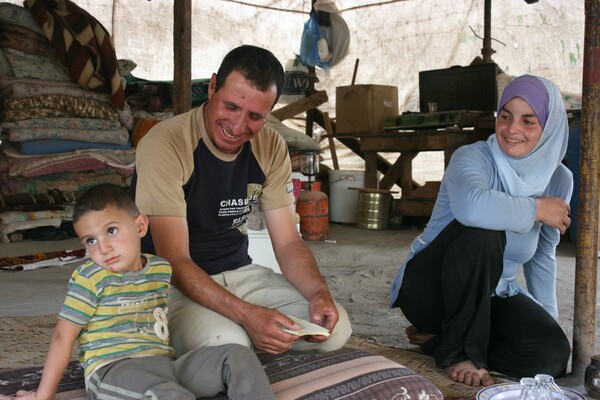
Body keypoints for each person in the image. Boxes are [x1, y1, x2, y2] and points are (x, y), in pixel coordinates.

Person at [131, 44, 351, 357]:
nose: (237, 127)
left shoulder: (272, 146)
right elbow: (175, 261)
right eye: (231, 107)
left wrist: (318, 292)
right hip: (169, 282)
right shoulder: (166, 143)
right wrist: (247, 314)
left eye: (255, 116)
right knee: (228, 342)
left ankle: (238, 340)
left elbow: (288, 242)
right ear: (211, 87)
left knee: (333, 329)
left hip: (239, 273)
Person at [5, 183, 276, 400]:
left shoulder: (160, 269)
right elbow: (62, 338)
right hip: (114, 373)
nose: (103, 248)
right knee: (169, 395)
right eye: (91, 240)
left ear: (140, 226)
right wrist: (42, 395)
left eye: (111, 231)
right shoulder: (89, 278)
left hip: (166, 367)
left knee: (237, 356)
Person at [389, 74, 573, 387]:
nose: (512, 129)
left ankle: (439, 341)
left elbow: (542, 256)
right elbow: (472, 208)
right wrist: (537, 209)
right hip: (431, 289)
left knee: (549, 357)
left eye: (528, 121)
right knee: (484, 228)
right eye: (505, 117)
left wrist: (545, 320)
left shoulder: (559, 180)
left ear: (549, 127)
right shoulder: (473, 157)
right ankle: (459, 352)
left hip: (493, 292)